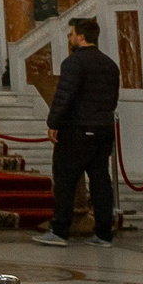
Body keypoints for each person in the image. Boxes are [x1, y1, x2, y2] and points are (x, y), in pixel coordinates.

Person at [35, 14, 118, 246]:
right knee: (101, 180)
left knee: (65, 179)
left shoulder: (73, 62)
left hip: (77, 130)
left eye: (71, 34)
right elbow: (113, 99)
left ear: (80, 37)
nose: (69, 37)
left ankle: (60, 230)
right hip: (103, 128)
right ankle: (103, 233)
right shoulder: (110, 64)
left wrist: (53, 123)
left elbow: (64, 96)